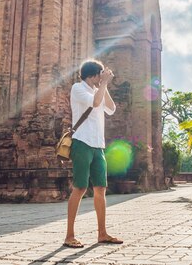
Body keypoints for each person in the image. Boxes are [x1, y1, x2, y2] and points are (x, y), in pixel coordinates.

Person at [63, 59, 123, 248]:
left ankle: (102, 233)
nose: (102, 77)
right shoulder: (78, 88)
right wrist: (103, 84)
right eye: (100, 74)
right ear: (93, 75)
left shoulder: (98, 89)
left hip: (98, 146)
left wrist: (105, 85)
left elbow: (111, 109)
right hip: (82, 143)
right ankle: (69, 235)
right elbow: (96, 103)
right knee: (80, 188)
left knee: (100, 189)